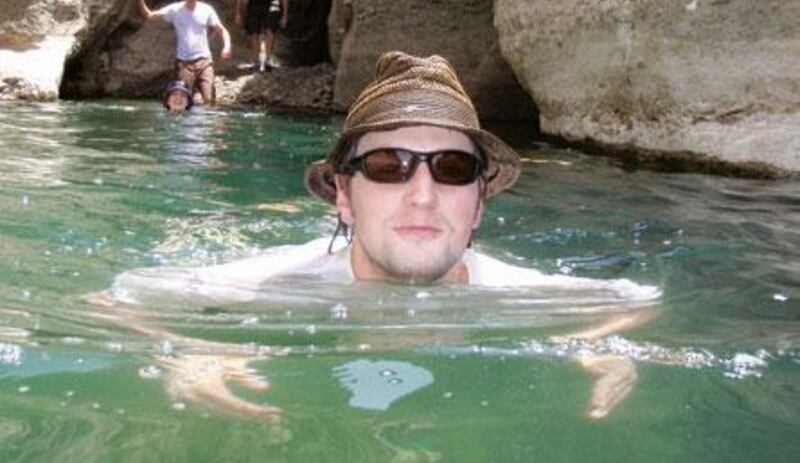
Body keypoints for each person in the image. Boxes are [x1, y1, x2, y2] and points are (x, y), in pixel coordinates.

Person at [92, 52, 660, 420]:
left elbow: (633, 303)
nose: (423, 194)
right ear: (343, 194)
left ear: (480, 202)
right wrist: (193, 349)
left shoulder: (514, 291)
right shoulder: (278, 280)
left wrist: (597, 341)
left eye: (453, 169)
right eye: (390, 165)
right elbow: (114, 299)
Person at [135, 0, 232, 104]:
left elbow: (222, 30)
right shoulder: (175, 9)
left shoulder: (206, 9)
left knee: (209, 99)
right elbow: (149, 16)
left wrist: (227, 47)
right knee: (183, 101)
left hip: (204, 61)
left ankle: (208, 123)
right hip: (184, 63)